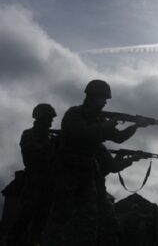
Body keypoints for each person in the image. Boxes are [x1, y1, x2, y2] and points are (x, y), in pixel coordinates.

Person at [42, 80, 145, 246]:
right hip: (67, 170)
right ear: (93, 97)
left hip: (87, 172)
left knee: (89, 217)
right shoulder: (74, 114)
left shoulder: (99, 118)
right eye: (103, 98)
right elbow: (80, 134)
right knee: (60, 216)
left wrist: (136, 126)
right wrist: (105, 125)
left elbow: (118, 138)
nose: (105, 102)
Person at [6, 104, 59, 246]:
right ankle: (14, 239)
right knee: (27, 213)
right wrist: (51, 144)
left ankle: (35, 241)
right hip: (34, 179)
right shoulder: (29, 134)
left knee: (43, 217)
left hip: (49, 181)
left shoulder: (51, 136)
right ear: (41, 118)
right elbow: (30, 155)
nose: (51, 122)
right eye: (49, 118)